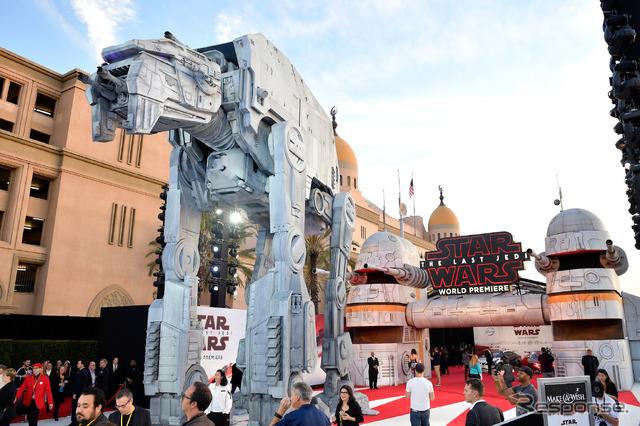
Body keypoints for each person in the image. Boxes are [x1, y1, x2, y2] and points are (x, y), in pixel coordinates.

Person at [70, 359, 91, 426]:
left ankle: (75, 422)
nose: (77, 365)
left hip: (78, 394)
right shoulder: (86, 371)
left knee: (75, 408)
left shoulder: (82, 372)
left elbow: (78, 384)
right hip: (82, 393)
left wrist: (75, 393)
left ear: (82, 364)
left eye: (78, 363)